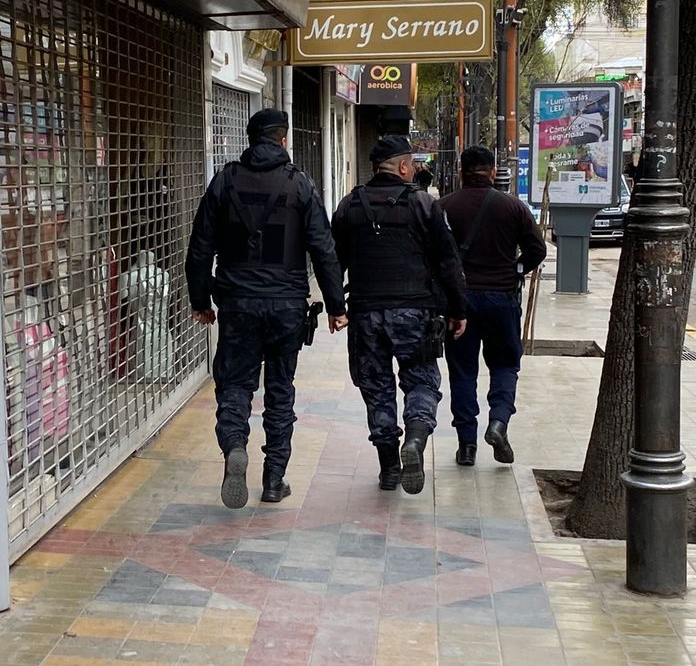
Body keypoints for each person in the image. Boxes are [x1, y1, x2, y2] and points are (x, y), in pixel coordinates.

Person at [186, 108, 347, 509]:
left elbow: (199, 249)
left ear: (250, 138)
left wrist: (200, 300)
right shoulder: (300, 185)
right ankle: (274, 479)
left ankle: (235, 448)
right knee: (280, 391)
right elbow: (324, 250)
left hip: (237, 305)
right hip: (286, 307)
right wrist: (335, 305)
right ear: (283, 140)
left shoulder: (225, 181)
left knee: (235, 384)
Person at [331, 135, 467, 495]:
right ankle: (417, 439)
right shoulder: (424, 205)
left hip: (366, 315)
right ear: (405, 167)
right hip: (416, 314)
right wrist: (458, 309)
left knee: (377, 389)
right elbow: (448, 262)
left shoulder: (349, 206)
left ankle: (390, 467)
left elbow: (333, 262)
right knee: (421, 381)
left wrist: (335, 307)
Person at [439, 145, 546, 467]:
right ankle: (498, 422)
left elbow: (432, 255)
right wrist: (514, 270)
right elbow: (536, 250)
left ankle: (466, 445)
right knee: (504, 365)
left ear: (460, 171)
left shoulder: (443, 207)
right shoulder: (513, 207)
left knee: (462, 372)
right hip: (502, 300)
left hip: (460, 303)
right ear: (493, 170)